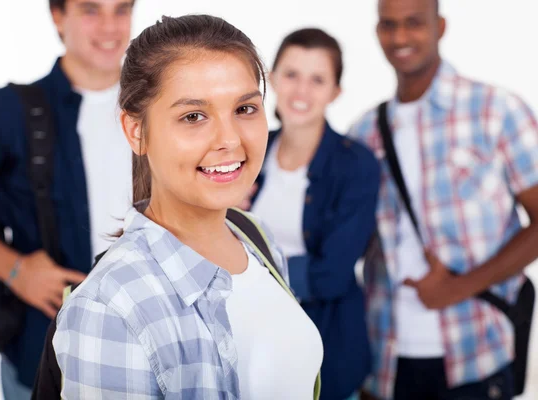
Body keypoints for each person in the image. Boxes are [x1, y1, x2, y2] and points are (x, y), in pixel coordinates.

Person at [53, 14, 324, 399]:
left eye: (245, 109)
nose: (229, 140)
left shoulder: (255, 238)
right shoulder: (110, 308)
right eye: (193, 116)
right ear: (136, 131)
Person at [0, 0, 135, 398]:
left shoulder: (165, 105)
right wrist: (14, 269)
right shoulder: (8, 109)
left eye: (122, 9)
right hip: (44, 354)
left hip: (150, 346)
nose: (110, 27)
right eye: (91, 10)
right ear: (58, 16)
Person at [349, 0, 538, 399]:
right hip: (384, 360)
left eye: (414, 23)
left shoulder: (496, 110)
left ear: (441, 26)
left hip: (477, 353)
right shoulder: (364, 132)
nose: (400, 37)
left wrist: (459, 287)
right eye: (389, 25)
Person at [246, 28, 380, 400]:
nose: (301, 91)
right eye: (291, 75)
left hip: (328, 351)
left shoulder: (357, 166)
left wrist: (245, 271)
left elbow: (332, 275)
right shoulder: (245, 153)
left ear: (335, 92)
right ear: (271, 79)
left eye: (317, 79)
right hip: (251, 347)